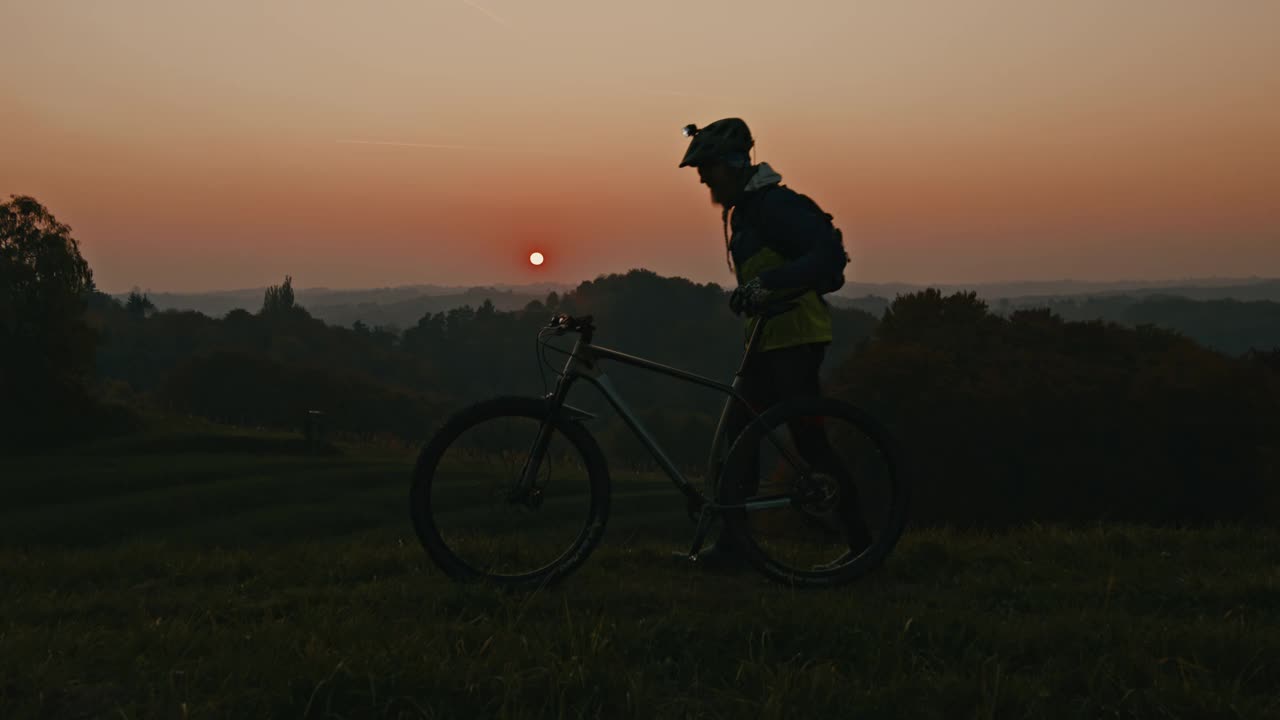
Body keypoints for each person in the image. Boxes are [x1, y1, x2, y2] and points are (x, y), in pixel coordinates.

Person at [678, 117, 872, 568]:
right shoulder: (747, 211)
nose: (703, 178)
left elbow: (826, 257)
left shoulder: (774, 206)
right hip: (769, 340)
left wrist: (770, 282)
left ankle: (862, 543)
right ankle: (735, 544)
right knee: (741, 435)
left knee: (809, 444)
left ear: (733, 163)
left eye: (707, 167)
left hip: (797, 338)